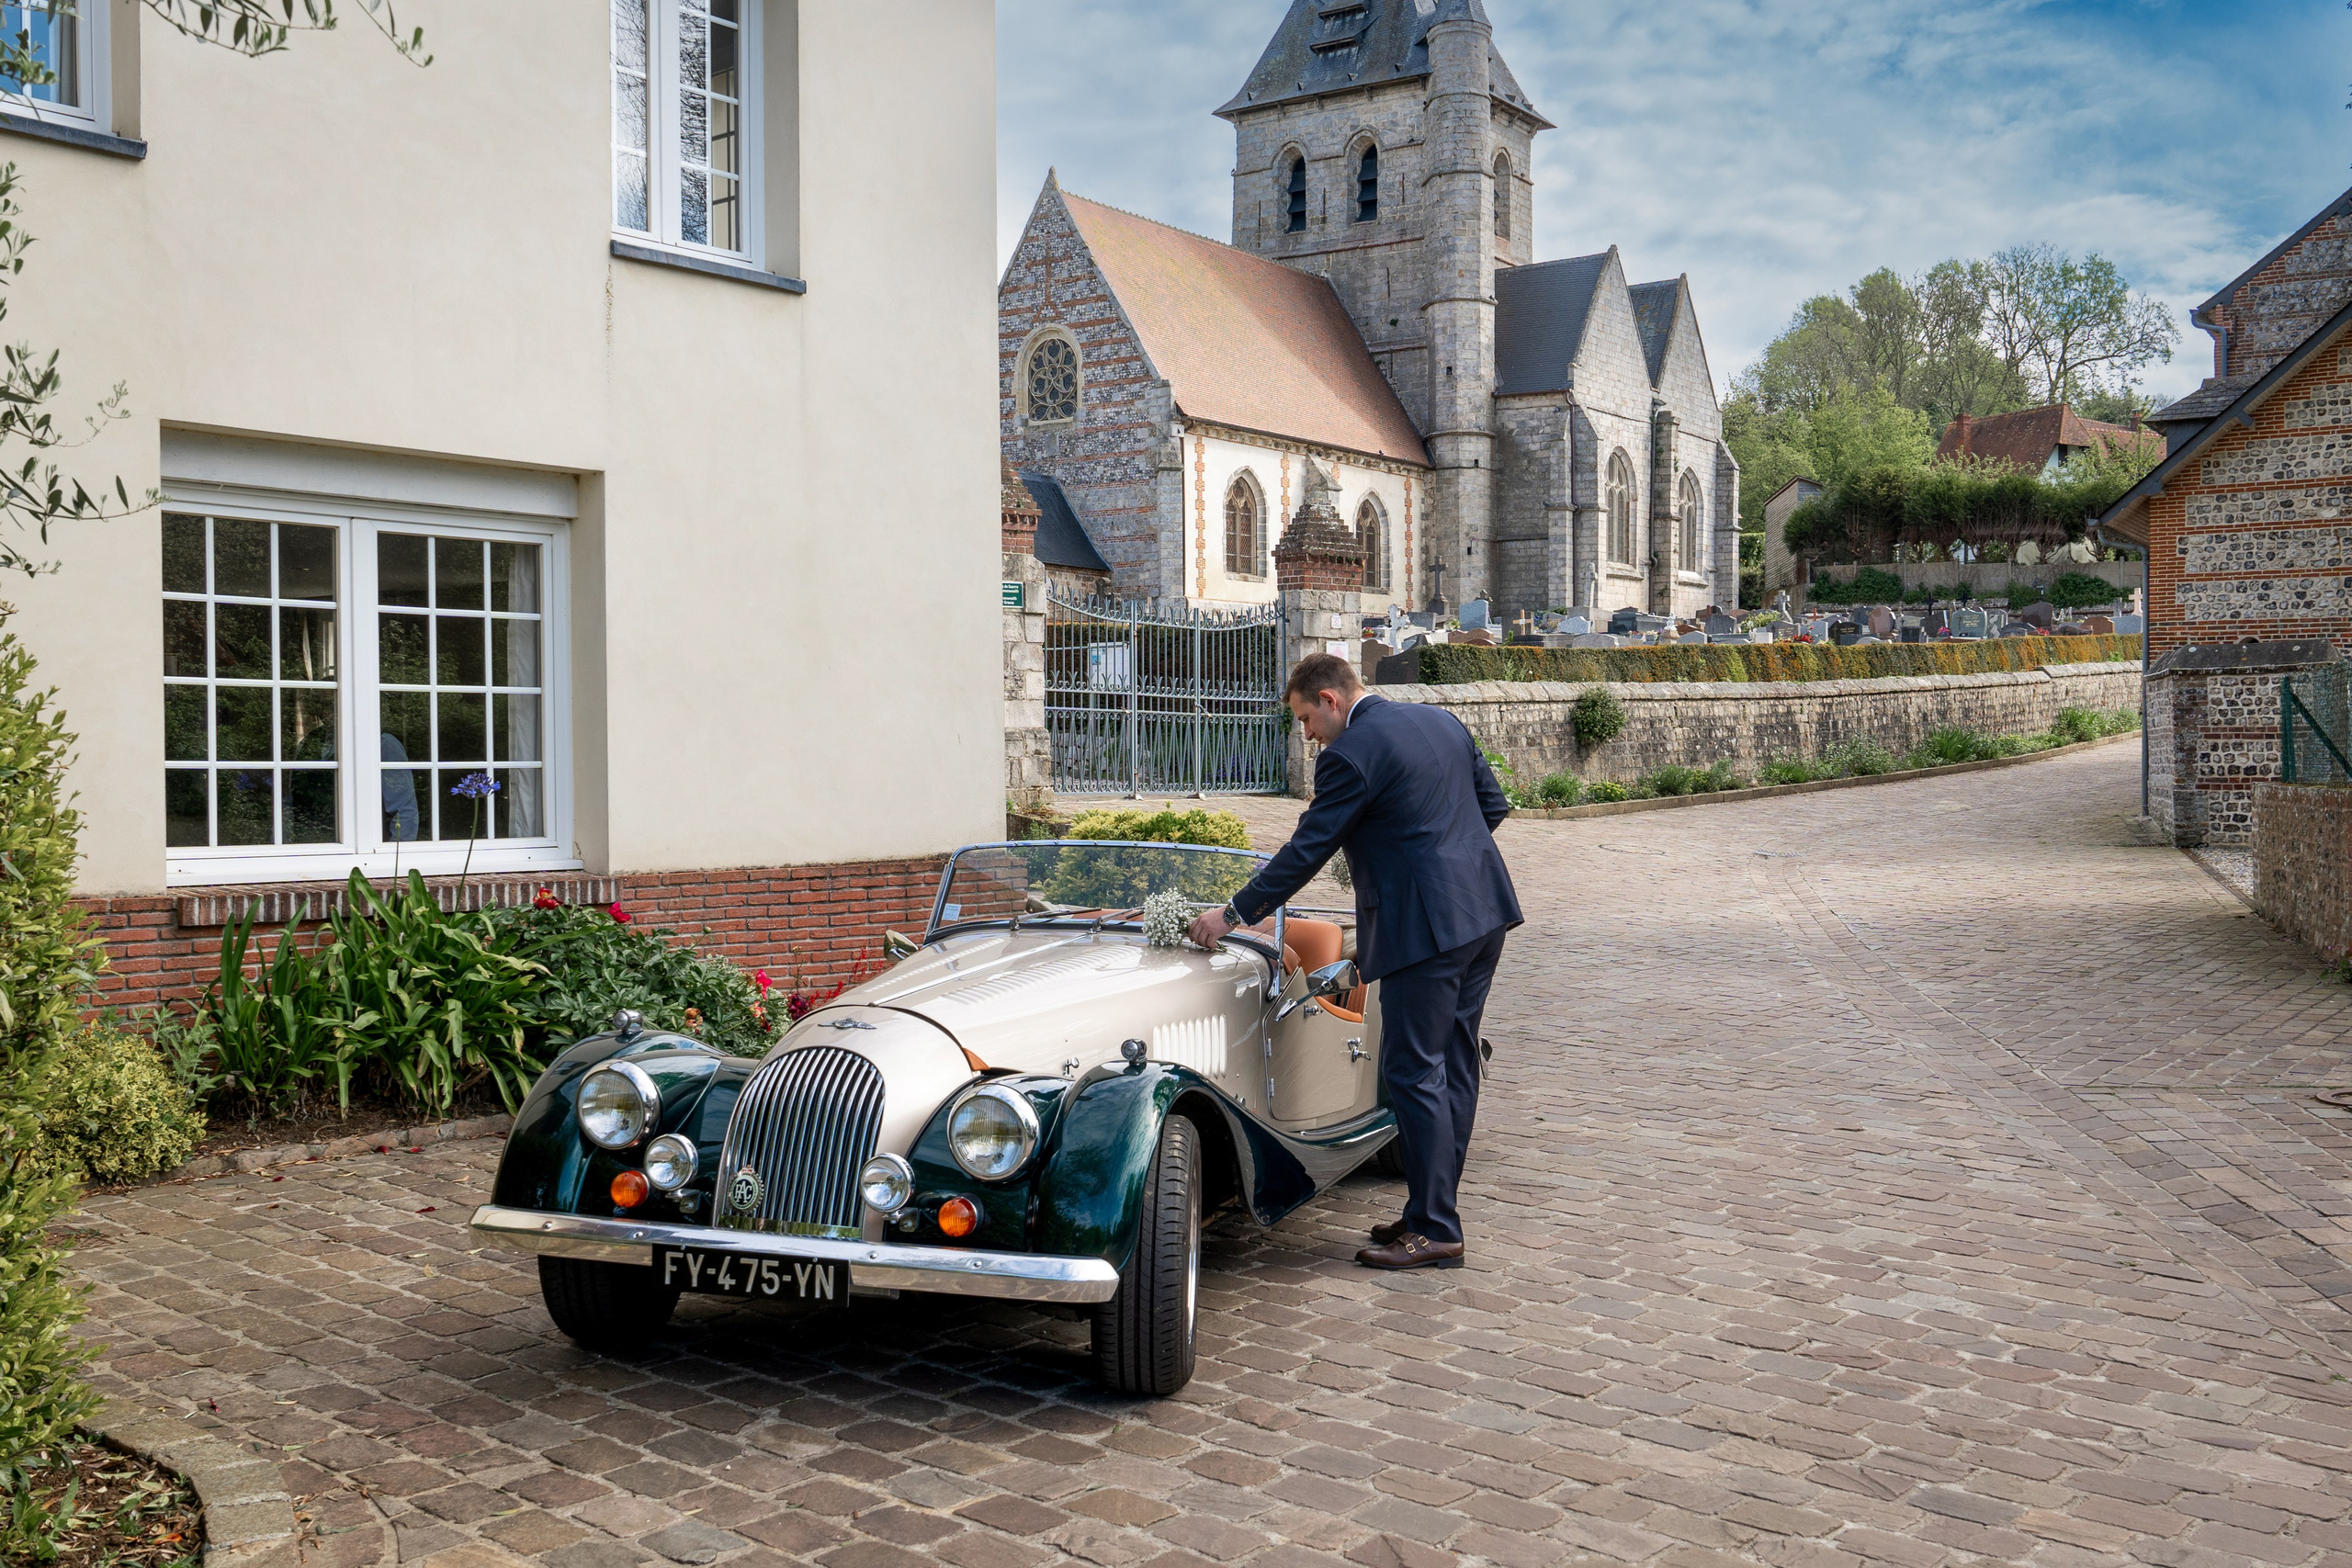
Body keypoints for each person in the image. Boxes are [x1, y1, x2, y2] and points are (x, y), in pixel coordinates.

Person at [1187, 652, 1521, 1270]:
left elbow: (1305, 850)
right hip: (1485, 913)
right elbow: (1491, 807)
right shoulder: (1442, 722)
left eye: (1306, 718)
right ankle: (1429, 1210)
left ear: (1331, 700)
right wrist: (1443, 858)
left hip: (1427, 929)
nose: (1307, 735)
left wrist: (1230, 913)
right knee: (1454, 1060)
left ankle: (1439, 1226)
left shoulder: (1350, 754)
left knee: (1411, 1070)